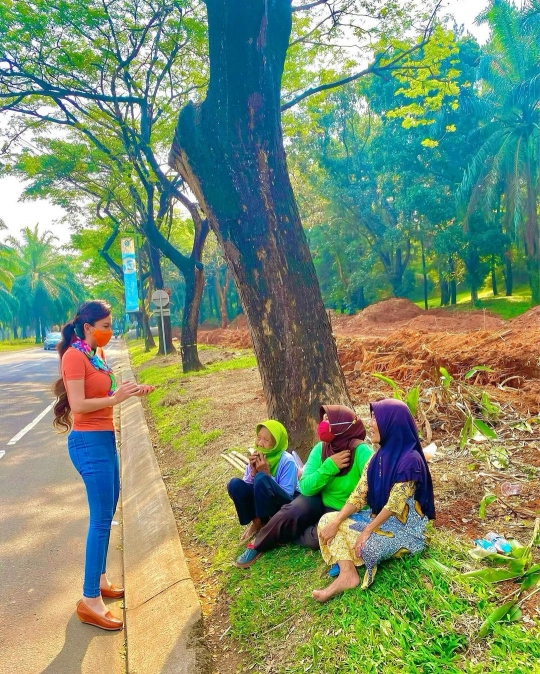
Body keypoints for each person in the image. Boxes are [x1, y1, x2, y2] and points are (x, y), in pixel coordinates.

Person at [52, 300, 154, 631]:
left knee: (108, 513)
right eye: (106, 326)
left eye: (111, 326)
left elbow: (108, 391)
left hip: (106, 439)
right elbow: (79, 405)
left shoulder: (96, 354)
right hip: (87, 443)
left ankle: (100, 579)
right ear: (87, 327)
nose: (110, 331)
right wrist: (115, 399)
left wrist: (134, 391)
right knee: (99, 520)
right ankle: (89, 600)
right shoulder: (73, 356)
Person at [313, 398, 435, 603]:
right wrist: (336, 522)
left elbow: (394, 504)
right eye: (370, 418)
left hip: (405, 530)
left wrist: (367, 530)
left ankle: (351, 561)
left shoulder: (410, 460)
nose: (370, 424)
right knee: (327, 521)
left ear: (391, 423)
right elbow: (359, 495)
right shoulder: (376, 458)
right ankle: (348, 573)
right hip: (377, 521)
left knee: (369, 548)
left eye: (375, 418)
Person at [235, 405, 373, 568]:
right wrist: (329, 467)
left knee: (317, 540)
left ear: (342, 425)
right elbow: (306, 486)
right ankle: (257, 545)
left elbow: (369, 488)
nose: (323, 425)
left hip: (344, 509)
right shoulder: (321, 449)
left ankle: (287, 531)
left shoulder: (362, 452)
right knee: (291, 511)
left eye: (329, 420)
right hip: (317, 498)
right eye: (323, 420)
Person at [227, 420, 298, 542]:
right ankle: (257, 521)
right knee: (235, 484)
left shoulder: (287, 461)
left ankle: (270, 523)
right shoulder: (257, 455)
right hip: (263, 502)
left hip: (284, 504)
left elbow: (288, 493)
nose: (260, 443)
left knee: (261, 478)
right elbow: (247, 486)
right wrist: (253, 472)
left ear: (276, 444)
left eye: (266, 440)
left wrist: (267, 475)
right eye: (259, 437)